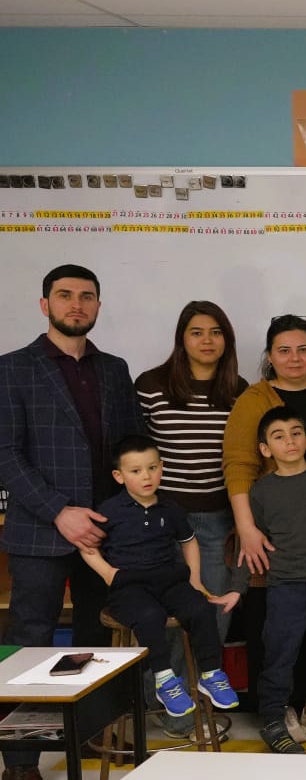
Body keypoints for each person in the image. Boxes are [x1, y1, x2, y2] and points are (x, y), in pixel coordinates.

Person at [0, 264, 144, 780]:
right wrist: (60, 511)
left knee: (96, 639)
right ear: (45, 305)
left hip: (104, 532)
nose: (76, 305)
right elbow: (6, 454)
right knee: (30, 641)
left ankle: (92, 735)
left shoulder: (115, 370)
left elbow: (129, 449)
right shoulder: (12, 368)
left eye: (86, 296)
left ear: (99, 305)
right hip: (41, 530)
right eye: (64, 295)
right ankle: (20, 761)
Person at [221, 314, 306, 743]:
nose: (294, 358)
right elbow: (238, 466)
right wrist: (247, 527)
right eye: (283, 350)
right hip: (275, 536)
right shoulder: (254, 400)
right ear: (269, 355)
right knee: (276, 630)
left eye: (303, 349)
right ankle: (281, 708)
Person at [213, 407, 306, 756]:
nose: (290, 441)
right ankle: (273, 720)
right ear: (265, 449)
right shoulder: (261, 491)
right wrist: (237, 588)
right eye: (278, 436)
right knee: (278, 658)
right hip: (285, 590)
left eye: (296, 433)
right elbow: (249, 547)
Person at [80, 436, 241, 717]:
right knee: (149, 615)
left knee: (200, 608)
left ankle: (211, 674)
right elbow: (87, 546)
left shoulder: (171, 508)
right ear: (119, 476)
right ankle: (165, 681)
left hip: (169, 581)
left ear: (162, 468)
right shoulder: (108, 510)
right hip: (128, 587)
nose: (146, 476)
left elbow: (188, 541)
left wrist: (194, 578)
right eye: (136, 471)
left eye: (152, 468)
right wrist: (109, 574)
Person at [135, 301, 248, 645]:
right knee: (165, 622)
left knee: (213, 617)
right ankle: (166, 684)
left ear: (227, 340)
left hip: (217, 522)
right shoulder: (151, 385)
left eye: (216, 333)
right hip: (162, 522)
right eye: (196, 333)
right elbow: (134, 454)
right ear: (182, 339)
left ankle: (206, 683)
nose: (207, 340)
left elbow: (243, 457)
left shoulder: (238, 390)